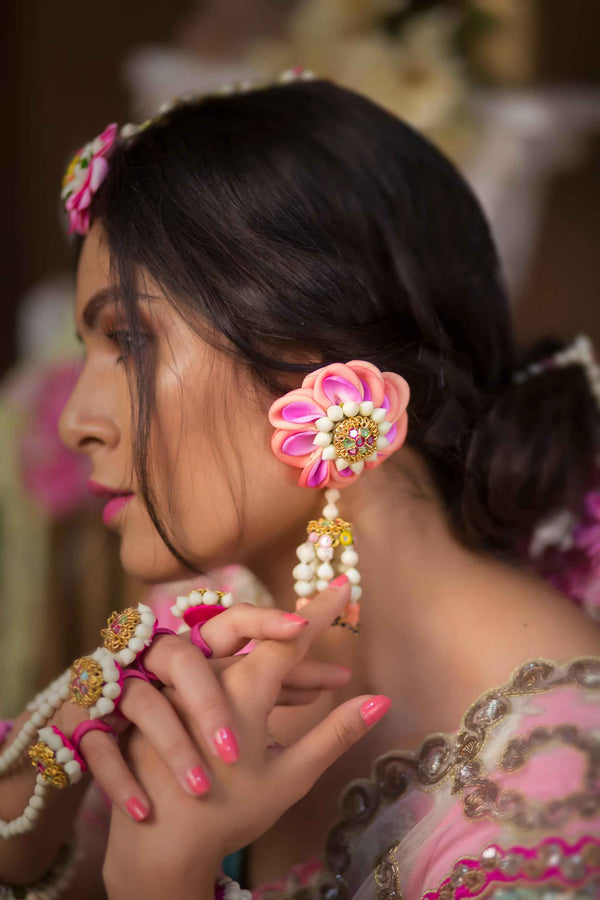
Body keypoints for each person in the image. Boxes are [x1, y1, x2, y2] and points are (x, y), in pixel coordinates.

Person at [1, 72, 600, 900]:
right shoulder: (210, 622)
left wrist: (162, 884)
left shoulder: (558, 789)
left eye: (130, 339)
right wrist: (47, 762)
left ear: (321, 356)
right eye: (87, 349)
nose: (76, 422)